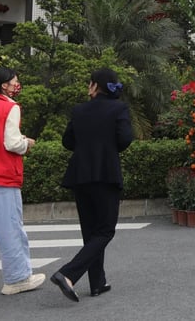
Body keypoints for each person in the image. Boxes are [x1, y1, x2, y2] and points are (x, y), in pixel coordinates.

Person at [51, 68, 133, 302]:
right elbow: (125, 138)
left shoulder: (79, 110)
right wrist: (107, 148)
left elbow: (67, 141)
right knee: (105, 230)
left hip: (80, 175)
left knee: (91, 232)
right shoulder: (118, 108)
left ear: (94, 86)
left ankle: (97, 282)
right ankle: (67, 274)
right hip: (106, 174)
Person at [0, 67, 45, 296]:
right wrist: (26, 142)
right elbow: (12, 143)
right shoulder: (10, 107)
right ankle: (17, 279)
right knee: (10, 231)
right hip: (1, 178)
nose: (17, 84)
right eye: (15, 81)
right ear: (4, 85)